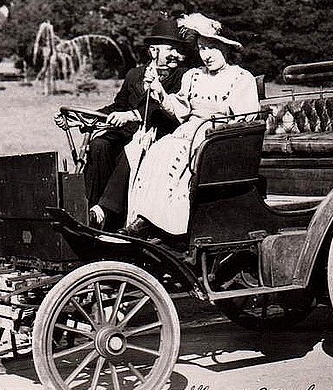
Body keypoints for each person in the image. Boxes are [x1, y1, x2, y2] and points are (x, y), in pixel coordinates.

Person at [120, 13, 260, 238]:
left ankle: (166, 224)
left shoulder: (241, 78)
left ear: (226, 48)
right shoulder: (193, 76)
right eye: (202, 48)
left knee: (177, 154)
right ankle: (145, 218)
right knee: (157, 151)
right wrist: (160, 93)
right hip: (187, 130)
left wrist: (217, 130)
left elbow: (246, 119)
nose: (206, 55)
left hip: (218, 138)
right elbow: (180, 108)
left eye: (212, 48)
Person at [55, 18, 191, 230]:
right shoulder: (134, 75)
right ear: (153, 51)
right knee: (100, 144)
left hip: (160, 136)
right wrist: (78, 118)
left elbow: (167, 109)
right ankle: (88, 211)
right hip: (127, 134)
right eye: (170, 49)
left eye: (177, 49)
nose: (175, 54)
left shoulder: (184, 77)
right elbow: (116, 106)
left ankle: (105, 211)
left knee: (132, 151)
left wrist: (132, 114)